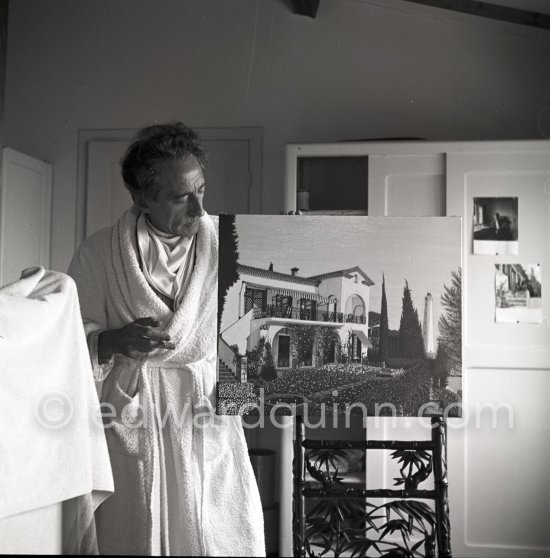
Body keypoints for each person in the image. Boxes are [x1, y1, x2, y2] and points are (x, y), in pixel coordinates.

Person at [68, 122, 265, 556]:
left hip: (204, 403)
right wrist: (113, 342)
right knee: (139, 532)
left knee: (216, 527)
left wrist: (293, 245)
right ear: (143, 198)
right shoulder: (100, 252)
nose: (199, 208)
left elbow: (254, 323)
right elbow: (68, 336)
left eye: (202, 191)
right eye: (182, 197)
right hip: (137, 407)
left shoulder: (230, 245)